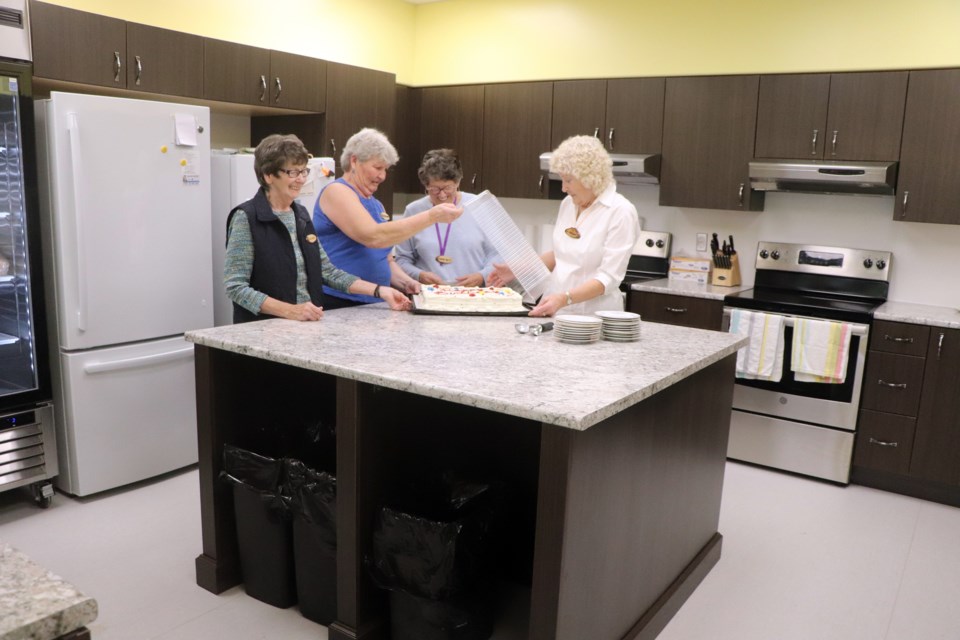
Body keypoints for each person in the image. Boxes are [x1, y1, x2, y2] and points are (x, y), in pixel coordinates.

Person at [224, 134, 411, 323]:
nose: (300, 179)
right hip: (262, 329)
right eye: (292, 172)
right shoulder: (247, 218)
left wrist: (380, 291)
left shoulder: (301, 215)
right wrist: (289, 310)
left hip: (304, 326)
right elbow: (236, 287)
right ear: (268, 175)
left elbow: (327, 271)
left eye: (303, 171)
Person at [488, 135, 640, 317]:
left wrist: (565, 298)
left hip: (593, 317)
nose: (563, 188)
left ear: (589, 177)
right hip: (556, 310)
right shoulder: (568, 204)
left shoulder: (620, 211)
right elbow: (560, 253)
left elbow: (608, 278)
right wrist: (518, 269)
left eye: (568, 180)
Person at [313, 128, 463, 308]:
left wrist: (406, 282)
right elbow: (373, 237)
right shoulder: (337, 191)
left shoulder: (376, 204)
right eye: (377, 167)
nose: (382, 176)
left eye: (385, 169)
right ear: (354, 161)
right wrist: (432, 216)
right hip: (339, 301)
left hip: (373, 302)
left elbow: (385, 259)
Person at [394, 149, 500, 287]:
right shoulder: (413, 211)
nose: (442, 195)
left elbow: (499, 255)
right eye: (434, 189)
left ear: (458, 182)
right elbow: (402, 260)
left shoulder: (480, 206)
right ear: (425, 185)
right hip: (428, 295)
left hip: (474, 295)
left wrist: (482, 276)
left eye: (448, 188)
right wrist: (419, 275)